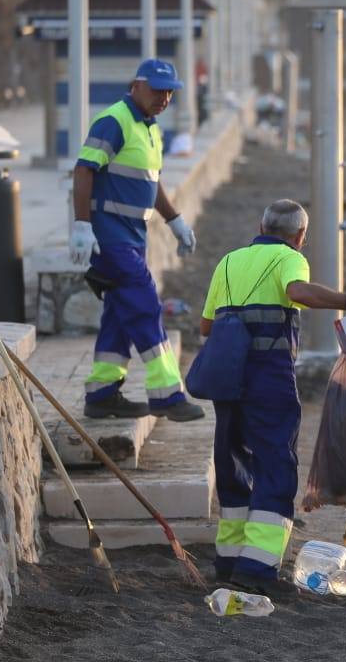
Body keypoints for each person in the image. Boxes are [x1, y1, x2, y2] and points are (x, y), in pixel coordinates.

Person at [199, 198, 346, 592]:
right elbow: (299, 292)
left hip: (228, 381)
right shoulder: (289, 258)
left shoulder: (228, 261)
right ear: (300, 236)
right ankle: (259, 569)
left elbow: (205, 326)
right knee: (275, 466)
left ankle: (228, 562)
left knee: (233, 465)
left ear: (260, 226)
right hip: (268, 380)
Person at [71, 58, 203, 422]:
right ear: (136, 85)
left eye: (169, 92)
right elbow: (84, 169)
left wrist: (174, 220)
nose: (164, 98)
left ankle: (101, 394)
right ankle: (167, 395)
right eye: (158, 90)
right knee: (146, 308)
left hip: (132, 238)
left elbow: (151, 181)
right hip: (109, 239)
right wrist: (82, 225)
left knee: (118, 315)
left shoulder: (150, 128)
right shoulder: (115, 120)